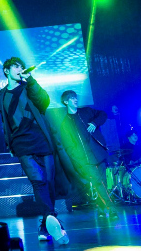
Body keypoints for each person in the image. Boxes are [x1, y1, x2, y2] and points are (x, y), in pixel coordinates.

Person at [0, 57, 69, 245]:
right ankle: (52, 218)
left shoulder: (28, 86)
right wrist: (9, 144)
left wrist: (31, 80)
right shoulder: (1, 95)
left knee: (49, 182)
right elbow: (5, 121)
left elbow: (44, 102)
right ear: (6, 71)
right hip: (21, 143)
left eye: (21, 66)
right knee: (38, 182)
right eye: (16, 66)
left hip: (41, 139)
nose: (20, 68)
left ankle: (46, 224)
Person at [52, 90, 118, 219]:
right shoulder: (65, 124)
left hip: (98, 153)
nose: (75, 99)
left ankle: (101, 208)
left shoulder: (86, 111)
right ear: (66, 102)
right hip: (85, 160)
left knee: (102, 182)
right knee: (98, 182)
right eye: (72, 98)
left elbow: (103, 114)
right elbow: (69, 147)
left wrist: (94, 123)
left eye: (75, 97)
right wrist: (79, 161)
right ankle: (111, 209)